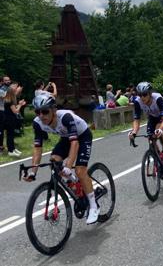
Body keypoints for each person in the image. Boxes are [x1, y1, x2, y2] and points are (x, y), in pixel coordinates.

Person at [23, 94, 100, 225]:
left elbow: (75, 143)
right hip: (66, 138)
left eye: (45, 111)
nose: (41, 116)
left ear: (53, 109)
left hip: (82, 136)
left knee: (80, 171)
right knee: (54, 161)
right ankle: (74, 183)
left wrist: (69, 167)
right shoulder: (37, 123)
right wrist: (33, 172)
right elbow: (37, 148)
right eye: (37, 112)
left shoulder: (65, 117)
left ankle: (94, 206)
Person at [128, 82, 163, 170]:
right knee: (150, 138)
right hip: (152, 117)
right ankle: (159, 155)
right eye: (140, 95)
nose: (142, 97)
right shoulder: (138, 102)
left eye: (144, 94)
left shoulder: (157, 98)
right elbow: (137, 119)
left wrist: (161, 129)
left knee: (159, 132)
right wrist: (134, 132)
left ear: (150, 93)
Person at [4, 86, 26, 156]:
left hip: (9, 119)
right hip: (9, 120)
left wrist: (18, 104)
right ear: (11, 92)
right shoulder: (10, 101)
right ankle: (10, 151)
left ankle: (13, 148)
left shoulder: (8, 100)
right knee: (10, 136)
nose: (15, 92)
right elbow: (15, 111)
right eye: (14, 91)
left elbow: (14, 109)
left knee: (11, 135)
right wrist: (20, 105)